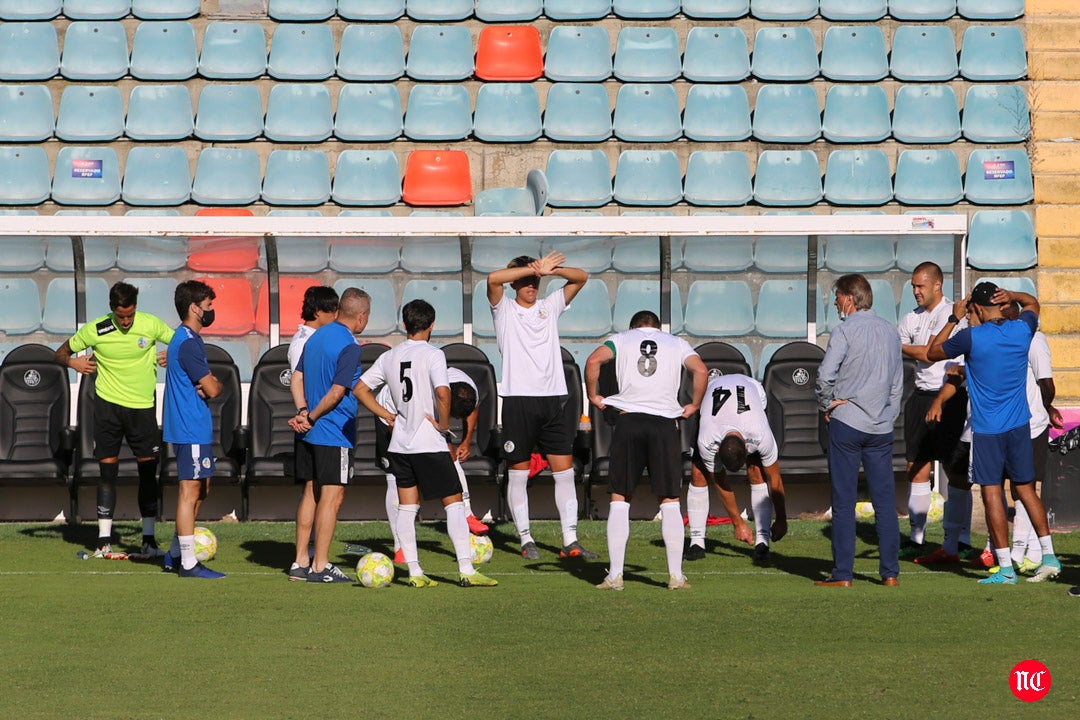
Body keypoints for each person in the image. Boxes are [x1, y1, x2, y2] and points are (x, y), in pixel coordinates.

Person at [353, 299, 498, 588]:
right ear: (432, 325)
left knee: (407, 508)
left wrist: (386, 415)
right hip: (428, 444)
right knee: (454, 504)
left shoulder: (389, 357)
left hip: (400, 445)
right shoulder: (433, 355)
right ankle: (467, 570)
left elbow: (360, 388)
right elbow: (443, 394)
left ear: (404, 325)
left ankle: (416, 573)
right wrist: (444, 426)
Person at [927, 282, 1062, 585]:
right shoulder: (1021, 330)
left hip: (988, 430)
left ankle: (1005, 568)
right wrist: (1014, 296)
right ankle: (1049, 556)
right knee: (1026, 490)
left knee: (991, 494)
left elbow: (931, 353)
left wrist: (952, 318)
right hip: (1019, 426)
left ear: (974, 308)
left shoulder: (971, 337)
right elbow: (1033, 304)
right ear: (1001, 303)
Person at [586, 310, 707, 591]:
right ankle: (676, 576)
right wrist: (695, 404)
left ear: (634, 328)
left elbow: (594, 360)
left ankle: (616, 576)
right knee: (669, 499)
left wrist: (593, 395)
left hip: (629, 421)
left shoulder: (620, 339)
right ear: (658, 328)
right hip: (664, 424)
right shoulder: (676, 342)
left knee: (620, 497)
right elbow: (700, 370)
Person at [488, 251, 596, 560]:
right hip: (518, 400)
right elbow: (493, 280)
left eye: (534, 280)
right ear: (515, 283)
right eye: (524, 279)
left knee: (564, 472)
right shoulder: (504, 309)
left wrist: (550, 271)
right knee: (519, 472)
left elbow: (582, 277)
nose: (531, 284)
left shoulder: (550, 306)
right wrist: (525, 269)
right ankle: (525, 538)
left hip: (553, 401)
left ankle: (571, 540)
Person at [56, 281, 174, 557]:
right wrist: (73, 362)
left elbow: (185, 341)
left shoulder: (151, 324)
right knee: (107, 472)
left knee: (147, 473)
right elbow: (60, 353)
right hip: (107, 409)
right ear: (112, 310)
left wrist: (173, 351)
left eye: (130, 316)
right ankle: (103, 540)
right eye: (120, 316)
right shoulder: (97, 328)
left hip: (142, 408)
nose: (125, 321)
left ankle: (148, 539)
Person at [814, 274, 903, 587]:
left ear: (850, 298)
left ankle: (843, 574)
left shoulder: (844, 330)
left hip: (848, 422)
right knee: (884, 503)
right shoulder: (891, 332)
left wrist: (828, 404)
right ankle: (890, 573)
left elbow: (825, 375)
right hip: (880, 426)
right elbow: (897, 383)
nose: (836, 302)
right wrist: (888, 415)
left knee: (843, 501)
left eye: (838, 297)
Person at [287, 288, 370, 584]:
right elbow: (337, 393)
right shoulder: (350, 345)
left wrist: (302, 411)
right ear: (360, 317)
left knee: (311, 492)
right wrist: (311, 416)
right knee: (332, 498)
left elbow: (296, 379)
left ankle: (300, 562)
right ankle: (320, 566)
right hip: (333, 432)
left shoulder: (315, 336)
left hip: (308, 432)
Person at [896, 262, 972, 560]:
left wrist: (919, 349)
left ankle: (960, 539)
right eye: (913, 286)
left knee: (956, 469)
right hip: (919, 396)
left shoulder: (956, 315)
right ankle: (917, 538)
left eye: (920, 286)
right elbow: (920, 351)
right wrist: (922, 350)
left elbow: (931, 353)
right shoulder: (910, 318)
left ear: (937, 285)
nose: (916, 291)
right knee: (916, 466)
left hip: (951, 395)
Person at [377, 368, 486, 564]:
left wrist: (466, 442)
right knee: (397, 477)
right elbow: (400, 426)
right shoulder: (424, 396)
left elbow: (473, 408)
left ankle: (467, 513)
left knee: (449, 456)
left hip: (426, 413)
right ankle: (400, 545)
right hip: (392, 413)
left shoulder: (468, 390)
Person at [686, 371, 788, 565]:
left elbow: (775, 479)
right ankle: (697, 542)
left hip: (752, 389)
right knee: (698, 473)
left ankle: (762, 542)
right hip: (712, 394)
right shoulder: (708, 440)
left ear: (748, 448)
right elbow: (720, 481)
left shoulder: (760, 434)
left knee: (756, 471)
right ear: (717, 450)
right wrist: (737, 523)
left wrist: (782, 519)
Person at [162, 280, 224, 579]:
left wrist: (208, 383)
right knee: (190, 489)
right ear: (194, 308)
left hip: (194, 425)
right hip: (190, 425)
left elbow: (206, 385)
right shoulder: (187, 342)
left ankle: (175, 552)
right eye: (209, 306)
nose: (212, 311)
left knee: (203, 486)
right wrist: (212, 383)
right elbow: (212, 387)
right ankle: (187, 562)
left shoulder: (187, 340)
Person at [284, 285, 339, 581]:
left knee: (314, 490)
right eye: (332, 312)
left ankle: (303, 560)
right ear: (318, 312)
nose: (336, 318)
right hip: (315, 423)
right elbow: (299, 380)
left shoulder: (309, 338)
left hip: (311, 420)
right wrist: (305, 413)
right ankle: (307, 558)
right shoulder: (305, 342)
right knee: (317, 490)